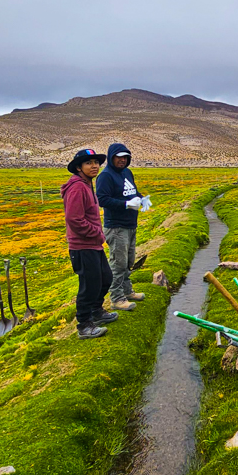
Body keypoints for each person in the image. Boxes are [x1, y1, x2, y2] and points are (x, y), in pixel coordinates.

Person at [61, 148, 120, 339]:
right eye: (89, 163)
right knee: (89, 285)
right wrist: (97, 233)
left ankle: (97, 312)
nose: (94, 166)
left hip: (92, 244)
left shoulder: (86, 184)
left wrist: (96, 237)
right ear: (79, 167)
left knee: (105, 278)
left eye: (96, 162)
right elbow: (74, 219)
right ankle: (84, 325)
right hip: (82, 246)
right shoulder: (77, 187)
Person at [95, 143, 149, 312]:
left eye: (125, 157)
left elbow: (132, 192)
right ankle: (117, 298)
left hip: (130, 225)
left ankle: (127, 291)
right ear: (112, 157)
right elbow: (102, 199)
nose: (122, 160)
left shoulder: (127, 172)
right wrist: (126, 205)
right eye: (119, 157)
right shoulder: (105, 176)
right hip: (117, 227)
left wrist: (142, 198)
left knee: (128, 261)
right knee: (118, 263)